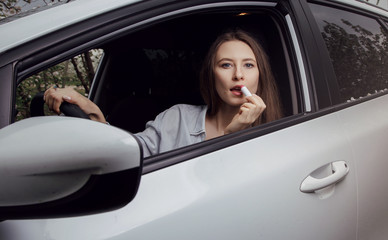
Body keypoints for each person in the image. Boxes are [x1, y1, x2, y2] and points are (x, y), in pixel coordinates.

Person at [44, 30, 283, 157]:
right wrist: (93, 112)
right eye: (226, 65)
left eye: (249, 65)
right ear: (212, 75)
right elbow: (128, 155)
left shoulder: (279, 137)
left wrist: (233, 136)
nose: (238, 75)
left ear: (259, 77)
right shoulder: (176, 118)